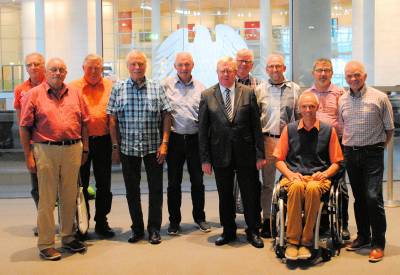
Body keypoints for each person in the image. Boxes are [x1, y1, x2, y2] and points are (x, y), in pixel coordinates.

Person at [19, 58, 89, 261]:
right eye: (53, 69)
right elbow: (24, 127)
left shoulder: (76, 93)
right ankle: (46, 244)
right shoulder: (33, 95)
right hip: (45, 149)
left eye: (61, 70)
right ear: (46, 72)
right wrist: (28, 155)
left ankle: (68, 237)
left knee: (69, 196)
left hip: (73, 149)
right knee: (47, 200)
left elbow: (84, 123)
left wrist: (85, 150)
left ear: (66, 73)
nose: (58, 73)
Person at [198, 56, 266, 248]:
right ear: (217, 73)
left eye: (229, 70)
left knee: (250, 193)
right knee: (225, 194)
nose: (226, 74)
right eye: (223, 71)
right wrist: (205, 159)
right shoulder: (207, 95)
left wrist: (260, 154)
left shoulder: (248, 93)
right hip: (220, 153)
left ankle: (253, 230)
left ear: (236, 72)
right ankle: (228, 231)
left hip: (246, 153)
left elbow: (256, 127)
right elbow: (203, 131)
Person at [107, 50, 172, 245]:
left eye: (141, 64)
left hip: (154, 148)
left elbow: (167, 115)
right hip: (128, 149)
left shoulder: (157, 87)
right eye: (133, 64)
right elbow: (112, 119)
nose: (137, 67)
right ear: (127, 67)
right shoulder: (118, 88)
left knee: (156, 190)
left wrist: (165, 143)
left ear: (146, 66)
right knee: (132, 190)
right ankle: (137, 229)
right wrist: (115, 147)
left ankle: (154, 229)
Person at [274, 92, 344, 260]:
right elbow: (278, 160)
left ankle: (306, 241)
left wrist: (325, 173)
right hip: (294, 177)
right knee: (297, 186)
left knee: (312, 188)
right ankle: (292, 241)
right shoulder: (289, 129)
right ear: (299, 109)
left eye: (311, 106)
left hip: (318, 178)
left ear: (317, 108)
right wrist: (290, 174)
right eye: (304, 106)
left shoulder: (328, 131)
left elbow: (337, 162)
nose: (308, 110)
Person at [339, 61, 394, 263]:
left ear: (365, 76)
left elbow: (389, 128)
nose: (353, 78)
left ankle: (378, 243)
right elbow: (343, 126)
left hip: (372, 153)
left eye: (357, 75)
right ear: (345, 77)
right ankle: (363, 237)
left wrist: (378, 147)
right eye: (349, 75)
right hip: (351, 154)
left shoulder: (379, 97)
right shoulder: (342, 99)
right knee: (359, 198)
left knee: (373, 197)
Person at [162, 52, 210, 235]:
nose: (184, 68)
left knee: (197, 181)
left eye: (187, 64)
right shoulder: (166, 86)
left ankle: (200, 217)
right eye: (180, 65)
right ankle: (174, 221)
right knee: (174, 183)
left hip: (194, 140)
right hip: (174, 140)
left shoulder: (201, 88)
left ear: (193, 65)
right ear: (175, 66)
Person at [254, 53, 301, 238]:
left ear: (284, 68)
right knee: (267, 184)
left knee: (291, 181)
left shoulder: (295, 89)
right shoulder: (259, 90)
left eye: (278, 66)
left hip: (288, 141)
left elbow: (299, 118)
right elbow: (255, 119)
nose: (275, 69)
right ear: (266, 69)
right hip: (267, 141)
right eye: (271, 66)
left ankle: (290, 218)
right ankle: (267, 219)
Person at [304, 58, 350, 240]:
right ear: (313, 72)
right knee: (315, 182)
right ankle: (320, 223)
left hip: (337, 143)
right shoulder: (307, 94)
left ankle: (343, 224)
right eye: (319, 70)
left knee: (340, 186)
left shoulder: (341, 93)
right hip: (313, 144)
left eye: (327, 70)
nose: (323, 74)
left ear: (332, 73)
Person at [69, 54, 114, 238]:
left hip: (104, 141)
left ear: (102, 68)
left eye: (98, 68)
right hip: (81, 142)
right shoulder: (73, 88)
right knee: (82, 185)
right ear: (83, 68)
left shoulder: (111, 86)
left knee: (104, 184)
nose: (94, 71)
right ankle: (83, 224)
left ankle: (102, 222)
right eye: (90, 68)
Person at [14, 53, 45, 236]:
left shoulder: (51, 85)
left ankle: (67, 222)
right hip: (34, 145)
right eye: (30, 64)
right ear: (26, 68)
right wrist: (27, 151)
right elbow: (21, 122)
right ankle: (43, 220)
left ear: (43, 66)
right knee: (37, 186)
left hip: (52, 143)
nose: (33, 67)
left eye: (37, 64)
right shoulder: (20, 90)